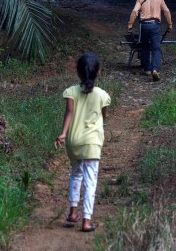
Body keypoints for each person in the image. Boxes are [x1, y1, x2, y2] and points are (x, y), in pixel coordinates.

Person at [54, 52, 111, 232]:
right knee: (91, 181)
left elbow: (69, 113)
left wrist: (63, 134)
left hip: (74, 141)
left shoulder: (71, 92)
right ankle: (86, 221)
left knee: (76, 174)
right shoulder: (103, 95)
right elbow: (104, 117)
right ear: (99, 72)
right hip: (92, 143)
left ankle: (72, 213)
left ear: (78, 73)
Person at [127, 0, 173, 82]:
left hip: (144, 25)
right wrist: (170, 24)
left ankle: (147, 69)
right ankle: (155, 69)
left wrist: (130, 24)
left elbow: (135, 11)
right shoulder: (160, 1)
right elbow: (167, 11)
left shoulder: (140, 0)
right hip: (155, 25)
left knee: (145, 47)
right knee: (156, 48)